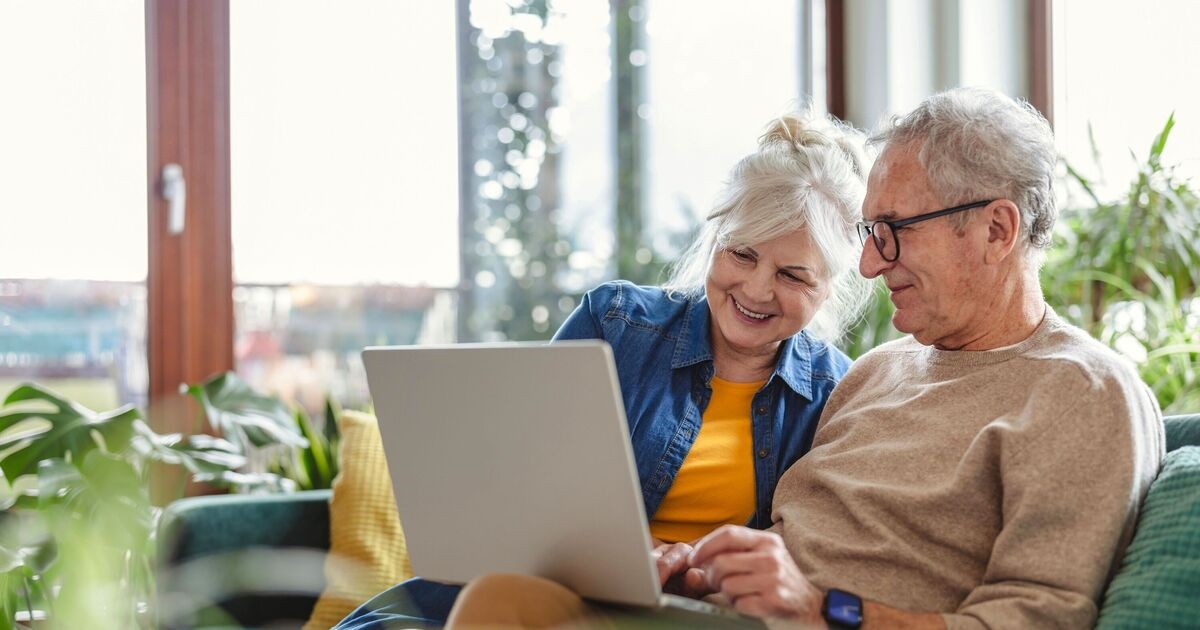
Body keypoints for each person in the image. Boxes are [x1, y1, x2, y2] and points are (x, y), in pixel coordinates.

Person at [440, 87, 1165, 629]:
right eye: (868, 233)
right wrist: (702, 569)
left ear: (996, 229)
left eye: (892, 232)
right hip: (716, 613)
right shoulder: (878, 371)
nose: (873, 268)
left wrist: (831, 607)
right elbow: (787, 538)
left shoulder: (1083, 389)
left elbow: (1038, 617)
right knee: (503, 599)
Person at [333, 108, 874, 629]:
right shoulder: (616, 324)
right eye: (741, 255)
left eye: (793, 276)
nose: (756, 290)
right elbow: (521, 487)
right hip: (547, 592)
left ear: (831, 286)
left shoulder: (837, 393)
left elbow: (811, 564)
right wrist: (638, 553)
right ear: (713, 240)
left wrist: (702, 574)